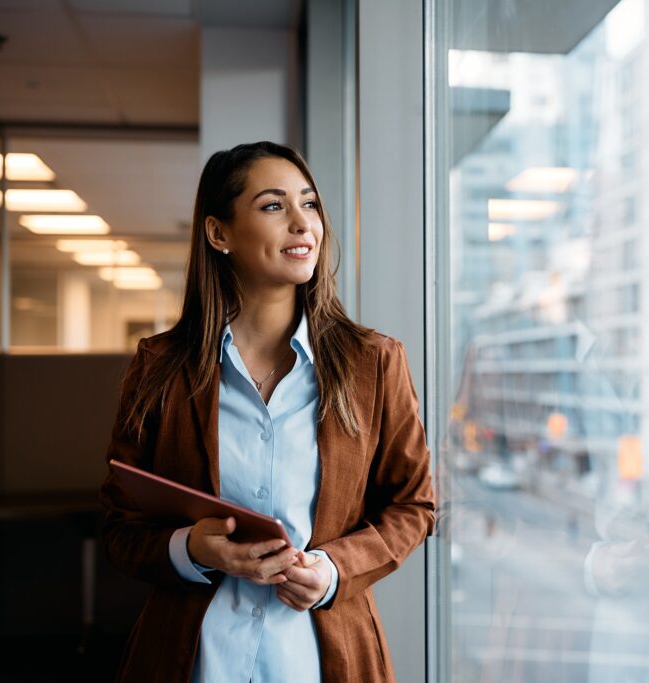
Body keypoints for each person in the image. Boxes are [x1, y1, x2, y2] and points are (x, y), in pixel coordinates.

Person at [98, 141, 435, 683]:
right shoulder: (161, 367)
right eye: (274, 205)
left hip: (323, 661)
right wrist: (191, 548)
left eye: (310, 204)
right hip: (195, 660)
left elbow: (413, 505)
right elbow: (120, 526)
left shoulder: (373, 362)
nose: (303, 224)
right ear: (219, 234)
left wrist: (333, 570)